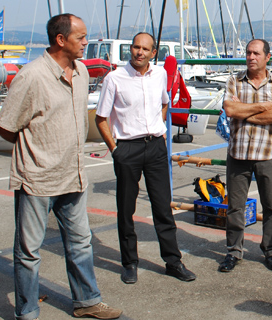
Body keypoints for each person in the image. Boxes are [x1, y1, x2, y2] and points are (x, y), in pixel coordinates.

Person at [0, 14, 122, 319]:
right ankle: (27, 312)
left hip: (73, 176)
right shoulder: (32, 76)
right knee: (28, 253)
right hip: (37, 178)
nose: (86, 43)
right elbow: (5, 126)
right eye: (81, 38)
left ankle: (87, 301)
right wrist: (37, 150)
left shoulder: (79, 71)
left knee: (81, 243)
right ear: (61, 40)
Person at [95, 32, 196, 284]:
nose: (139, 52)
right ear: (131, 50)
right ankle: (129, 263)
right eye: (135, 47)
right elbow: (100, 118)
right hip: (127, 149)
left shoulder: (160, 75)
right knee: (126, 209)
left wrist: (157, 125)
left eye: (145, 49)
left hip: (156, 148)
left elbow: (164, 103)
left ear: (153, 53)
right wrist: (116, 150)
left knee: (163, 207)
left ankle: (173, 261)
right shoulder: (114, 78)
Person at [218, 39, 272, 272]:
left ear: (267, 57)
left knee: (271, 205)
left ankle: (271, 250)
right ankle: (234, 251)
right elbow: (229, 110)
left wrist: (243, 111)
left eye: (256, 53)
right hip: (238, 152)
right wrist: (261, 106)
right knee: (235, 206)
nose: (251, 57)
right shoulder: (233, 80)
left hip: (267, 152)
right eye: (248, 53)